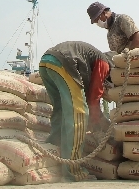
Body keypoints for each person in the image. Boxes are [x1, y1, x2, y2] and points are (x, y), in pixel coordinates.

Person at [39, 41, 112, 181]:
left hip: (46, 61)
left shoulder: (89, 58)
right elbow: (93, 100)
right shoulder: (104, 63)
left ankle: (52, 159)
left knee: (61, 113)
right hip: (63, 63)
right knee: (78, 114)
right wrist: (100, 125)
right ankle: (74, 171)